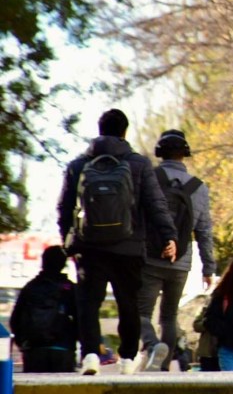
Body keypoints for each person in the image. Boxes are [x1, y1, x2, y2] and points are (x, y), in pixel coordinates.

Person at [57, 108, 178, 375]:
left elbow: (64, 207)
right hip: (129, 246)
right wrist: (169, 235)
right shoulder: (139, 164)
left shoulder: (78, 165)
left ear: (100, 131)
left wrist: (67, 240)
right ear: (125, 132)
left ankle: (89, 355)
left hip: (89, 247)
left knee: (89, 302)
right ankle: (127, 358)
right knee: (129, 302)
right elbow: (155, 203)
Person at [138, 129, 217, 371]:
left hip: (149, 258)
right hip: (181, 262)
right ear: (185, 154)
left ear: (160, 153)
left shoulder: (149, 178)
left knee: (140, 312)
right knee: (169, 317)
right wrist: (208, 268)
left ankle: (152, 348)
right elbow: (204, 231)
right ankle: (161, 369)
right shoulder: (199, 188)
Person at [10, 246, 78, 372]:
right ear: (63, 264)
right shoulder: (70, 289)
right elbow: (81, 319)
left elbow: (15, 320)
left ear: (43, 261)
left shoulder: (30, 288)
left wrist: (23, 343)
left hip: (34, 350)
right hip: (63, 349)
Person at [192, 303, 220, 371]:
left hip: (223, 352)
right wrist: (207, 322)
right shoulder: (206, 311)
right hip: (207, 353)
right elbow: (196, 326)